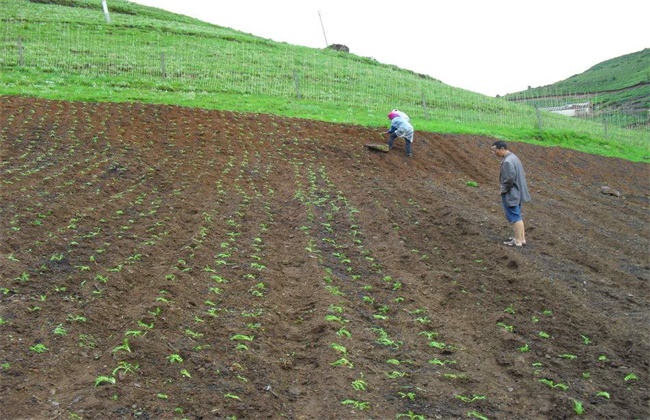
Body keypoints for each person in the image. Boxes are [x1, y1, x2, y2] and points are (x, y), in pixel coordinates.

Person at [491, 140, 531, 246]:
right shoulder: (514, 157)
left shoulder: (508, 161)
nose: (494, 153)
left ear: (502, 149)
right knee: (517, 216)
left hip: (512, 193)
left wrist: (503, 190)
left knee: (515, 217)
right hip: (517, 192)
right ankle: (521, 239)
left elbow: (509, 179)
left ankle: (518, 241)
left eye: (495, 150)